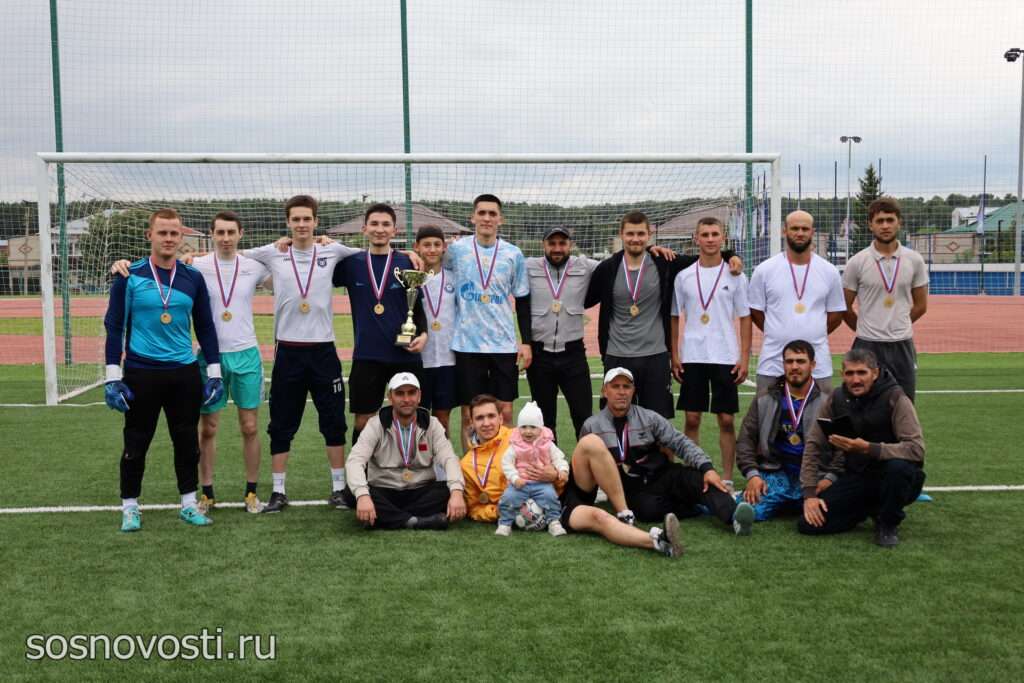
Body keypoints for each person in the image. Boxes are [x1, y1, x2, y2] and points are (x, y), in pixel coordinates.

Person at [111, 210, 271, 514]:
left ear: (241, 234)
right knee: (207, 429)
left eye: (231, 232)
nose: (226, 238)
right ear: (211, 235)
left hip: (246, 353)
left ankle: (251, 492)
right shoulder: (195, 265)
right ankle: (206, 493)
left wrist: (301, 243)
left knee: (250, 427)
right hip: (206, 357)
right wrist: (121, 264)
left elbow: (283, 269)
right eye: (220, 232)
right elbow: (164, 267)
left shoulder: (254, 266)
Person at [103, 208, 224, 532]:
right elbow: (114, 326)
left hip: (184, 372)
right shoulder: (128, 275)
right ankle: (130, 507)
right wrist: (113, 376)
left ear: (181, 236)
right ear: (150, 236)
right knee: (136, 442)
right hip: (141, 372)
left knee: (186, 442)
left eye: (174, 233)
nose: (169, 239)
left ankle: (188, 503)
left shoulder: (192, 278)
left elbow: (205, 327)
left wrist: (214, 372)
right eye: (162, 233)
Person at [243, 195, 361, 513]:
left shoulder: (332, 250)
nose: (301, 224)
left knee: (333, 421)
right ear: (288, 222)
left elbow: (373, 254)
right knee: (281, 423)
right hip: (288, 351)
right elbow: (231, 254)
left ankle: (338, 489)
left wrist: (408, 254)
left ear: (315, 221)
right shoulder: (273, 252)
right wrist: (190, 257)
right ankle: (278, 491)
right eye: (296, 219)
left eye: (307, 218)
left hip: (323, 351)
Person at [586, 211, 741, 418]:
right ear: (621, 234)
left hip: (655, 357)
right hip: (617, 355)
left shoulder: (664, 262)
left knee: (658, 422)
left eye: (641, 234)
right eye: (630, 233)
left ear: (649, 235)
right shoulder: (607, 268)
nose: (635, 239)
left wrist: (731, 255)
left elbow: (705, 257)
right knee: (615, 419)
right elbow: (586, 300)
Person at [577, 367, 755, 535]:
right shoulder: (591, 426)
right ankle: (696, 506)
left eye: (626, 387)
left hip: (661, 475)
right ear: (604, 391)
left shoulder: (649, 418)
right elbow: (585, 464)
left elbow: (680, 442)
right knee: (647, 510)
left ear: (633, 391)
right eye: (615, 386)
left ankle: (735, 517)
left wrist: (707, 467)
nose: (622, 392)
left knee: (701, 480)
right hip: (631, 489)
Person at [798, 348, 926, 547]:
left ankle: (888, 523)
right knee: (808, 525)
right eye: (850, 373)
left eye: (861, 373)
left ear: (875, 373)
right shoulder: (836, 398)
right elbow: (813, 444)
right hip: (858, 476)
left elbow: (916, 450)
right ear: (842, 374)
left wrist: (869, 448)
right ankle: (870, 509)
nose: (855, 380)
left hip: (895, 476)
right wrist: (809, 495)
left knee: (898, 468)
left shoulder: (895, 397)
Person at [333, 204, 428, 447]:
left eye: (386, 224)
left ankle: (413, 469)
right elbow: (318, 262)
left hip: (404, 354)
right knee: (363, 421)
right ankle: (361, 469)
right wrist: (318, 241)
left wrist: (424, 334)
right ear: (364, 228)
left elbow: (416, 305)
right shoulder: (350, 264)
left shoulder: (407, 262)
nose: (380, 229)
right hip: (367, 355)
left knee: (413, 418)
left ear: (395, 230)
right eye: (374, 224)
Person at [671, 216, 751, 490]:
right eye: (704, 234)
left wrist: (744, 357)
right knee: (692, 418)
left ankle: (727, 478)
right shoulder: (683, 276)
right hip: (693, 355)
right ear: (696, 238)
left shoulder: (736, 275)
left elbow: (745, 317)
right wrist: (674, 354)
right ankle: (694, 475)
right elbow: (674, 316)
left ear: (723, 238)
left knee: (726, 419)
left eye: (715, 234)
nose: (710, 239)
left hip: (725, 355)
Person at [446, 194, 532, 449]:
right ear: (472, 217)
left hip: (502, 345)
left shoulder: (513, 254)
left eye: (492, 213)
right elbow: (432, 264)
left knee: (505, 411)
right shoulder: (456, 250)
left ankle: (503, 466)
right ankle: (470, 468)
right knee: (469, 415)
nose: (486, 218)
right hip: (467, 344)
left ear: (500, 219)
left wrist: (526, 342)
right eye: (481, 213)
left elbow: (523, 299)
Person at [342, 373, 467, 530]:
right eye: (400, 393)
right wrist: (363, 495)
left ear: (419, 396)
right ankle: (417, 521)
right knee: (351, 492)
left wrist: (456, 492)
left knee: (452, 489)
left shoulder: (432, 424)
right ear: (390, 397)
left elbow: (449, 458)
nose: (406, 399)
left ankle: (388, 518)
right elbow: (355, 460)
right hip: (384, 489)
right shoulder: (375, 424)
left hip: (420, 489)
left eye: (411, 393)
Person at [748, 210, 846, 397]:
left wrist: (815, 332)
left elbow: (836, 314)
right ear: (784, 231)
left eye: (805, 229)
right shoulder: (764, 270)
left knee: (820, 414)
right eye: (794, 228)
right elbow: (756, 311)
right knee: (768, 414)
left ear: (812, 232)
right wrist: (776, 331)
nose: (800, 233)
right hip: (773, 363)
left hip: (818, 364)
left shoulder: (829, 271)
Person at [842, 197, 929, 401]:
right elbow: (845, 307)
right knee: (862, 404)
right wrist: (865, 329)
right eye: (879, 221)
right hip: (867, 345)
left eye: (890, 220)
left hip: (902, 344)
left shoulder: (914, 260)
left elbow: (921, 306)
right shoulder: (857, 262)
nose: (885, 226)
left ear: (899, 223)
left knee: (904, 403)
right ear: (870, 225)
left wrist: (899, 324)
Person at [735, 340, 828, 521]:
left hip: (814, 475)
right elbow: (746, 439)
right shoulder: (765, 398)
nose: (794, 367)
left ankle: (788, 504)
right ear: (783, 364)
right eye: (789, 361)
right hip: (775, 472)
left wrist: (830, 478)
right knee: (749, 510)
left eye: (800, 361)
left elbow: (841, 447)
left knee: (830, 511)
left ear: (813, 365)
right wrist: (752, 475)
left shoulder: (828, 401)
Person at [495, 402, 570, 537]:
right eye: (523, 427)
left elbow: (559, 458)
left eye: (533, 427)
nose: (528, 431)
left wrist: (563, 470)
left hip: (542, 483)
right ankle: (505, 523)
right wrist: (515, 478)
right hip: (520, 484)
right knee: (508, 498)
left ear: (540, 428)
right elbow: (506, 463)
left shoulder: (547, 444)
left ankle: (554, 522)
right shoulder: (515, 445)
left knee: (550, 497)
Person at [413, 225, 458, 435]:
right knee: (418, 416)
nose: (432, 249)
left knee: (442, 417)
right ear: (417, 247)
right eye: (427, 245)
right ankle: (416, 454)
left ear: (444, 248)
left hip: (448, 359)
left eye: (437, 245)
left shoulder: (454, 277)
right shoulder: (411, 278)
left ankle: (442, 456)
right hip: (420, 358)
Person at [460, 394, 514, 522]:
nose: (486, 423)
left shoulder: (517, 439)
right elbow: (474, 508)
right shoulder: (466, 464)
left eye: (491, 416)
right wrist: (496, 512)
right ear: (472, 423)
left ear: (501, 418)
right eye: (479, 418)